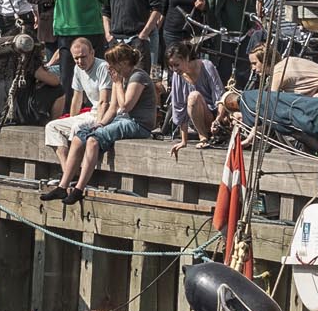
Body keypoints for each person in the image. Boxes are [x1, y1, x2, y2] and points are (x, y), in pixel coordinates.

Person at [43, 43, 152, 201]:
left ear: (123, 63)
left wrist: (118, 83)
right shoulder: (118, 78)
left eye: (112, 64)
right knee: (80, 136)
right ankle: (63, 186)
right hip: (122, 119)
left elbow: (125, 106)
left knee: (93, 140)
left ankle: (79, 188)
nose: (110, 69)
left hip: (138, 124)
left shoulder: (137, 77)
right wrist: (100, 124)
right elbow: (113, 108)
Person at [39, 34, 110, 151]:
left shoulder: (102, 67)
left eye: (83, 57)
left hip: (104, 115)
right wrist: (71, 119)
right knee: (51, 126)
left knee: (77, 127)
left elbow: (104, 102)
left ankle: (73, 166)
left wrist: (100, 125)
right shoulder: (77, 69)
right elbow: (77, 99)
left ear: (92, 53)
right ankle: (66, 166)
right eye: (76, 58)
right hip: (92, 113)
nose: (80, 61)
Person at [164, 38, 224, 147]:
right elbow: (179, 108)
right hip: (194, 120)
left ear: (186, 58)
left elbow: (220, 97)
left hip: (213, 116)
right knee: (192, 98)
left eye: (177, 65)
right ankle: (203, 137)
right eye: (171, 66)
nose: (174, 69)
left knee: (194, 96)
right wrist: (183, 141)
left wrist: (218, 121)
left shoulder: (206, 66)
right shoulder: (177, 76)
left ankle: (205, 137)